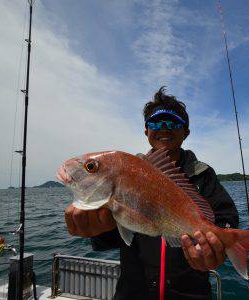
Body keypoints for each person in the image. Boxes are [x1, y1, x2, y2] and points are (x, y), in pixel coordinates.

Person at [64, 87, 239, 299]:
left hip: (190, 294)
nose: (164, 128)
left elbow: (226, 219)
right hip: (134, 293)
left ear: (186, 132)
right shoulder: (126, 173)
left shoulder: (203, 174)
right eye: (156, 123)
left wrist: (215, 247)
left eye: (173, 123)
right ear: (146, 131)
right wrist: (96, 229)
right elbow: (113, 237)